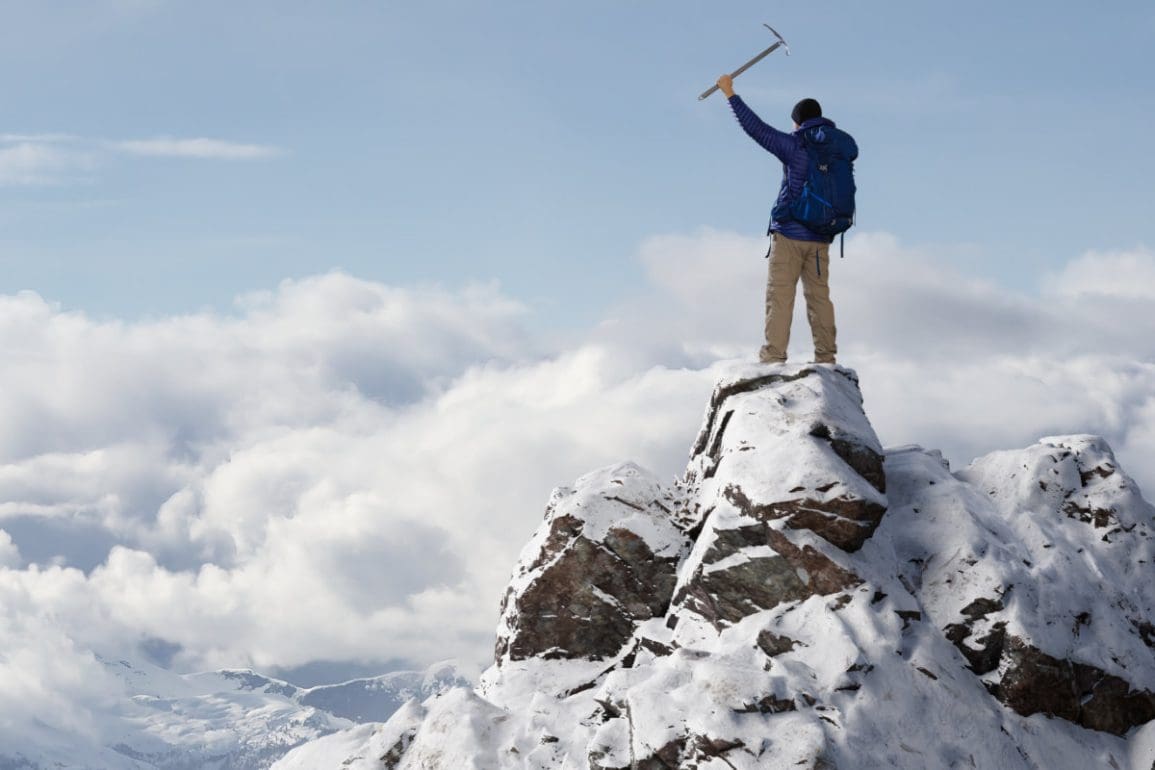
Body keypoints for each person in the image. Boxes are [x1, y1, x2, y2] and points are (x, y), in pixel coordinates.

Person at [716, 73, 849, 365]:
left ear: (798, 121)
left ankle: (774, 355)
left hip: (789, 233)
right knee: (819, 297)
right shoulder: (837, 149)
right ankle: (825, 357)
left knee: (780, 295)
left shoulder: (796, 145)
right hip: (822, 236)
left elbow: (757, 130)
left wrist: (730, 94)